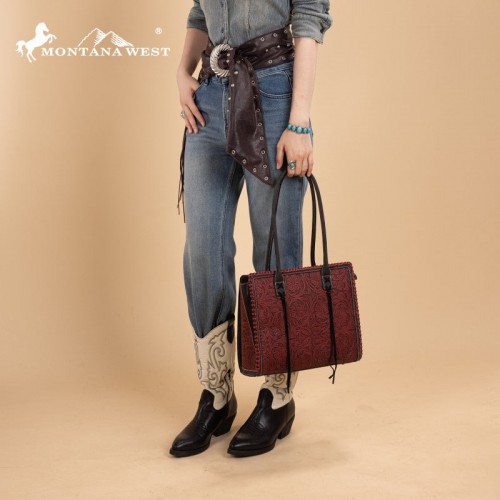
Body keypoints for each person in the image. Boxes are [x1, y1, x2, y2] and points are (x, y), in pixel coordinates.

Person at [169, 0, 332, 458]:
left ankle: (278, 396)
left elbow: (310, 17)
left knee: (276, 248)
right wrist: (182, 72)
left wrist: (300, 120)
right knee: (202, 249)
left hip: (274, 92)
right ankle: (216, 395)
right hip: (209, 96)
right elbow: (200, 12)